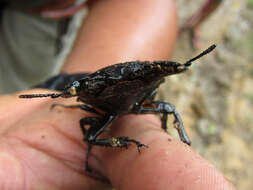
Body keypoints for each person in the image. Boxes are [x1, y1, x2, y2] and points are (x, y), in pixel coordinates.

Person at [0, 0, 235, 189]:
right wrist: (117, 141)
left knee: (151, 6)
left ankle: (176, 137)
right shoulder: (88, 96)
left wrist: (176, 136)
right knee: (91, 133)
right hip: (99, 102)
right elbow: (87, 130)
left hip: (35, 15)